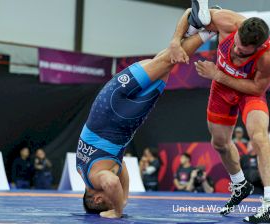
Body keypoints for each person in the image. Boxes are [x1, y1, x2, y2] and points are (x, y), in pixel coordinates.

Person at [76, 31, 209, 218]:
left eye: (109, 200)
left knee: (167, 63)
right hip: (106, 104)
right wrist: (126, 197)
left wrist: (118, 210)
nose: (115, 196)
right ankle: (198, 31)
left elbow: (112, 183)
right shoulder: (86, 169)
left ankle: (206, 32)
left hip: (119, 116)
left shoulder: (97, 179)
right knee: (164, 63)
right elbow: (121, 168)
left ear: (97, 199)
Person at [170, 1, 270, 222]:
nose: (236, 50)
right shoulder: (227, 20)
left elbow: (258, 88)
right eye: (236, 44)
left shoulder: (269, 57)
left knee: (259, 138)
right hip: (221, 89)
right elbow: (190, 13)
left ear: (258, 47)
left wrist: (218, 75)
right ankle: (240, 185)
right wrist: (175, 41)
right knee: (219, 143)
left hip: (249, 91)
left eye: (243, 51)